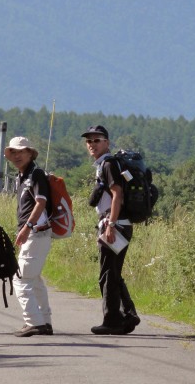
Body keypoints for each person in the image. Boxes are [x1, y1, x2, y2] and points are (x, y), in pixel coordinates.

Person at [82, 125, 140, 335]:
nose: (92, 144)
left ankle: (112, 320)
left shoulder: (108, 164)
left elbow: (117, 194)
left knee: (107, 275)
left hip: (114, 225)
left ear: (107, 142)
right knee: (112, 274)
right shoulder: (106, 164)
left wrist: (111, 225)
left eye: (96, 140)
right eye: (89, 141)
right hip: (116, 224)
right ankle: (127, 315)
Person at [4, 136, 54, 337]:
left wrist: (27, 227)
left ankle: (34, 322)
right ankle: (44, 321)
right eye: (13, 152)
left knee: (21, 279)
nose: (17, 156)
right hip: (34, 233)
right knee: (34, 280)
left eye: (21, 151)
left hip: (36, 232)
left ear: (30, 154)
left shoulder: (36, 174)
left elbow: (41, 202)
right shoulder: (22, 175)